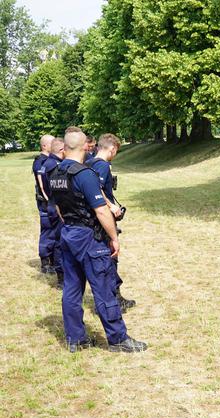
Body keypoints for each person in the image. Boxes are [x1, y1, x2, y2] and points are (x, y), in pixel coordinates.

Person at [49, 131, 146, 352]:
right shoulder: (85, 174)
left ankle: (76, 339)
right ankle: (118, 339)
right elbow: (101, 211)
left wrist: (71, 226)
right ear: (85, 147)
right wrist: (113, 237)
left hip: (68, 234)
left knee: (72, 290)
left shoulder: (54, 173)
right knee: (103, 288)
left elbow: (57, 207)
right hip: (89, 238)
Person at [85, 133, 136, 311]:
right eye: (116, 151)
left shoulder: (88, 162)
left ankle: (115, 296)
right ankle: (114, 299)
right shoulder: (102, 166)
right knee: (111, 256)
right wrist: (111, 206)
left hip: (90, 219)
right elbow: (96, 188)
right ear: (112, 148)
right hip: (102, 217)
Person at [37, 137, 65, 286]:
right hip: (56, 207)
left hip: (52, 205)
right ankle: (61, 277)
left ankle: (59, 270)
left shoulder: (47, 163)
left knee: (56, 240)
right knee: (59, 242)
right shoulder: (54, 165)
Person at [33, 134, 54, 273]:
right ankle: (45, 262)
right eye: (52, 143)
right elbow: (41, 186)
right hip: (45, 202)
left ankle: (53, 259)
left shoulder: (49, 160)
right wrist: (47, 200)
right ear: (45, 146)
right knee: (47, 231)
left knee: (53, 230)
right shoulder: (40, 162)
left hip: (51, 201)